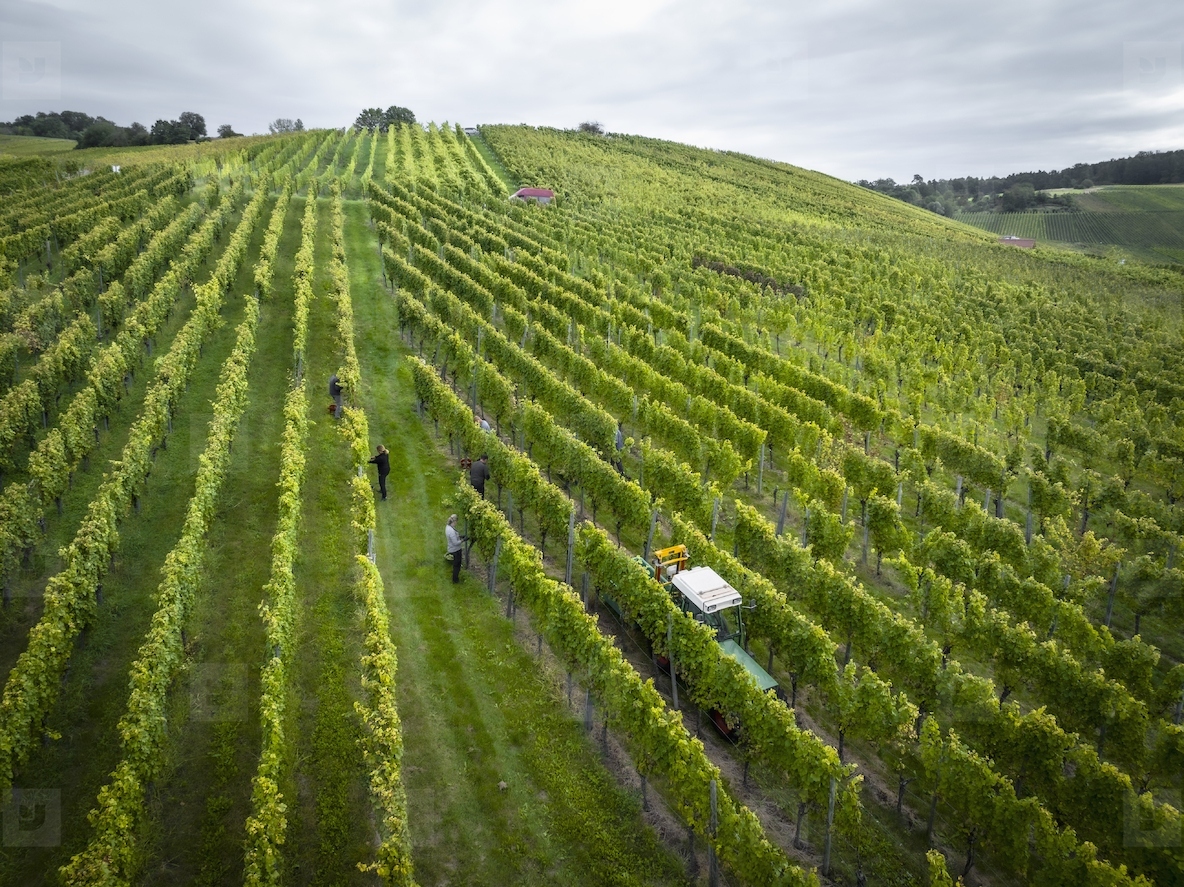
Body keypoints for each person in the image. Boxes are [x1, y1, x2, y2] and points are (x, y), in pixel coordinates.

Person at [445, 514, 464, 583]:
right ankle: (455, 580)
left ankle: (455, 578)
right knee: (457, 565)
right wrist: (463, 540)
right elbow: (455, 543)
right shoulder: (451, 531)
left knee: (456, 565)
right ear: (454, 521)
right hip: (455, 550)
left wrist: (460, 536)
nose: (456, 523)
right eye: (456, 522)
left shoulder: (448, 527)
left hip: (452, 548)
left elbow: (454, 538)